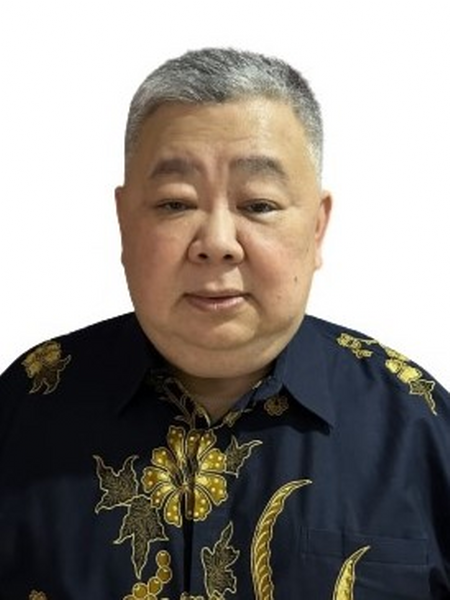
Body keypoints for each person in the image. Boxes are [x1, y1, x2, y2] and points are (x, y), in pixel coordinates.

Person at [0, 47, 449, 600]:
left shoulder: (420, 430)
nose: (216, 243)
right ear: (123, 222)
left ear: (317, 227)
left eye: (258, 205)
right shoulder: (25, 408)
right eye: (174, 204)